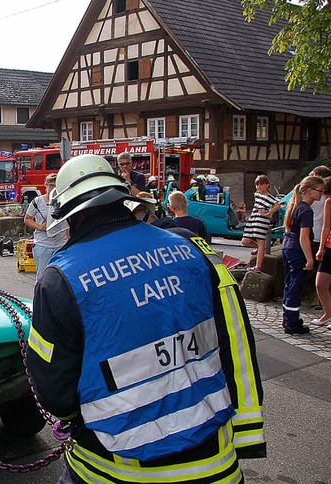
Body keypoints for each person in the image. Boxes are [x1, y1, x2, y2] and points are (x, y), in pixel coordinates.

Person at [27, 154, 265, 484]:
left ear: (68, 217)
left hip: (115, 468)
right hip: (214, 461)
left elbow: (55, 392)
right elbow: (233, 339)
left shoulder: (59, 279)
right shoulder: (192, 250)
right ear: (122, 197)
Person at [282, 175, 325, 335]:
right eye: (319, 191)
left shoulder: (296, 206)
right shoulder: (306, 210)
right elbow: (304, 237)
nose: (321, 194)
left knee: (289, 285)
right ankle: (292, 323)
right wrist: (309, 259)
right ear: (309, 191)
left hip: (288, 247)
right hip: (297, 251)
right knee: (295, 286)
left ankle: (288, 318)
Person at [24, 173, 68, 279]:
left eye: (57, 186)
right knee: (42, 276)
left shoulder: (64, 201)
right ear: (45, 185)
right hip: (43, 244)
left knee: (61, 276)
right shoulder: (38, 201)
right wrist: (39, 226)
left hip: (61, 243)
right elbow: (27, 219)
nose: (54, 188)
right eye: (51, 185)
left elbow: (68, 223)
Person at [241, 175, 281, 272]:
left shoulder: (270, 197)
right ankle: (260, 249)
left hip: (262, 220)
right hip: (253, 218)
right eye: (257, 185)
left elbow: (278, 205)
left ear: (267, 185)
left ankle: (258, 266)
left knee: (261, 242)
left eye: (261, 184)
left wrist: (268, 214)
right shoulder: (257, 194)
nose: (259, 187)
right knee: (245, 241)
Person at [314, 176, 331, 328]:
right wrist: (321, 248)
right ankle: (328, 313)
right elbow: (326, 226)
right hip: (330, 247)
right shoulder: (329, 202)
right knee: (321, 283)